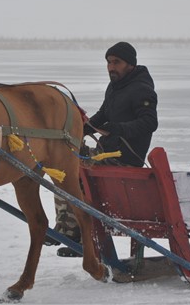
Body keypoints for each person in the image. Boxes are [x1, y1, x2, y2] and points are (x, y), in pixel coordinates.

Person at [52, 41, 158, 257]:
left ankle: (84, 238)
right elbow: (103, 114)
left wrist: (118, 129)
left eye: (116, 62)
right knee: (63, 167)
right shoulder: (115, 87)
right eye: (108, 62)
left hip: (125, 156)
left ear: (129, 64)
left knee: (76, 176)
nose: (111, 67)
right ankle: (66, 230)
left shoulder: (141, 89)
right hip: (106, 151)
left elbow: (150, 122)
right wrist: (79, 129)